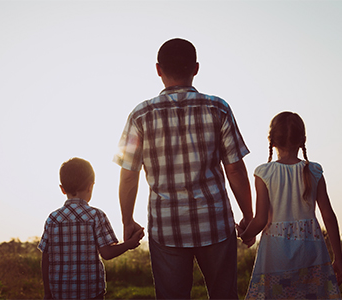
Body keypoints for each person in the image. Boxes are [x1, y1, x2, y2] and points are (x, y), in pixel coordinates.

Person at [114, 38, 253, 299]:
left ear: (158, 69)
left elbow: (129, 175)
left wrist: (127, 220)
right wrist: (248, 214)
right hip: (216, 224)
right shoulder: (218, 108)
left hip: (166, 228)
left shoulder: (141, 114)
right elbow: (235, 169)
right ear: (196, 68)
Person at [237, 111, 342, 299]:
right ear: (303, 139)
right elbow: (328, 215)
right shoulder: (314, 170)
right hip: (311, 251)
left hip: (275, 253)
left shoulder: (264, 173)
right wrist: (338, 258)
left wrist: (244, 235)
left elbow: (261, 219)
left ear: (271, 140)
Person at [38, 157, 144, 300]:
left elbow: (46, 259)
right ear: (90, 186)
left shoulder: (53, 219)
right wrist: (129, 244)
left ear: (62, 189)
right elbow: (107, 253)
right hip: (91, 293)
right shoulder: (96, 216)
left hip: (60, 294)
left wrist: (47, 293)